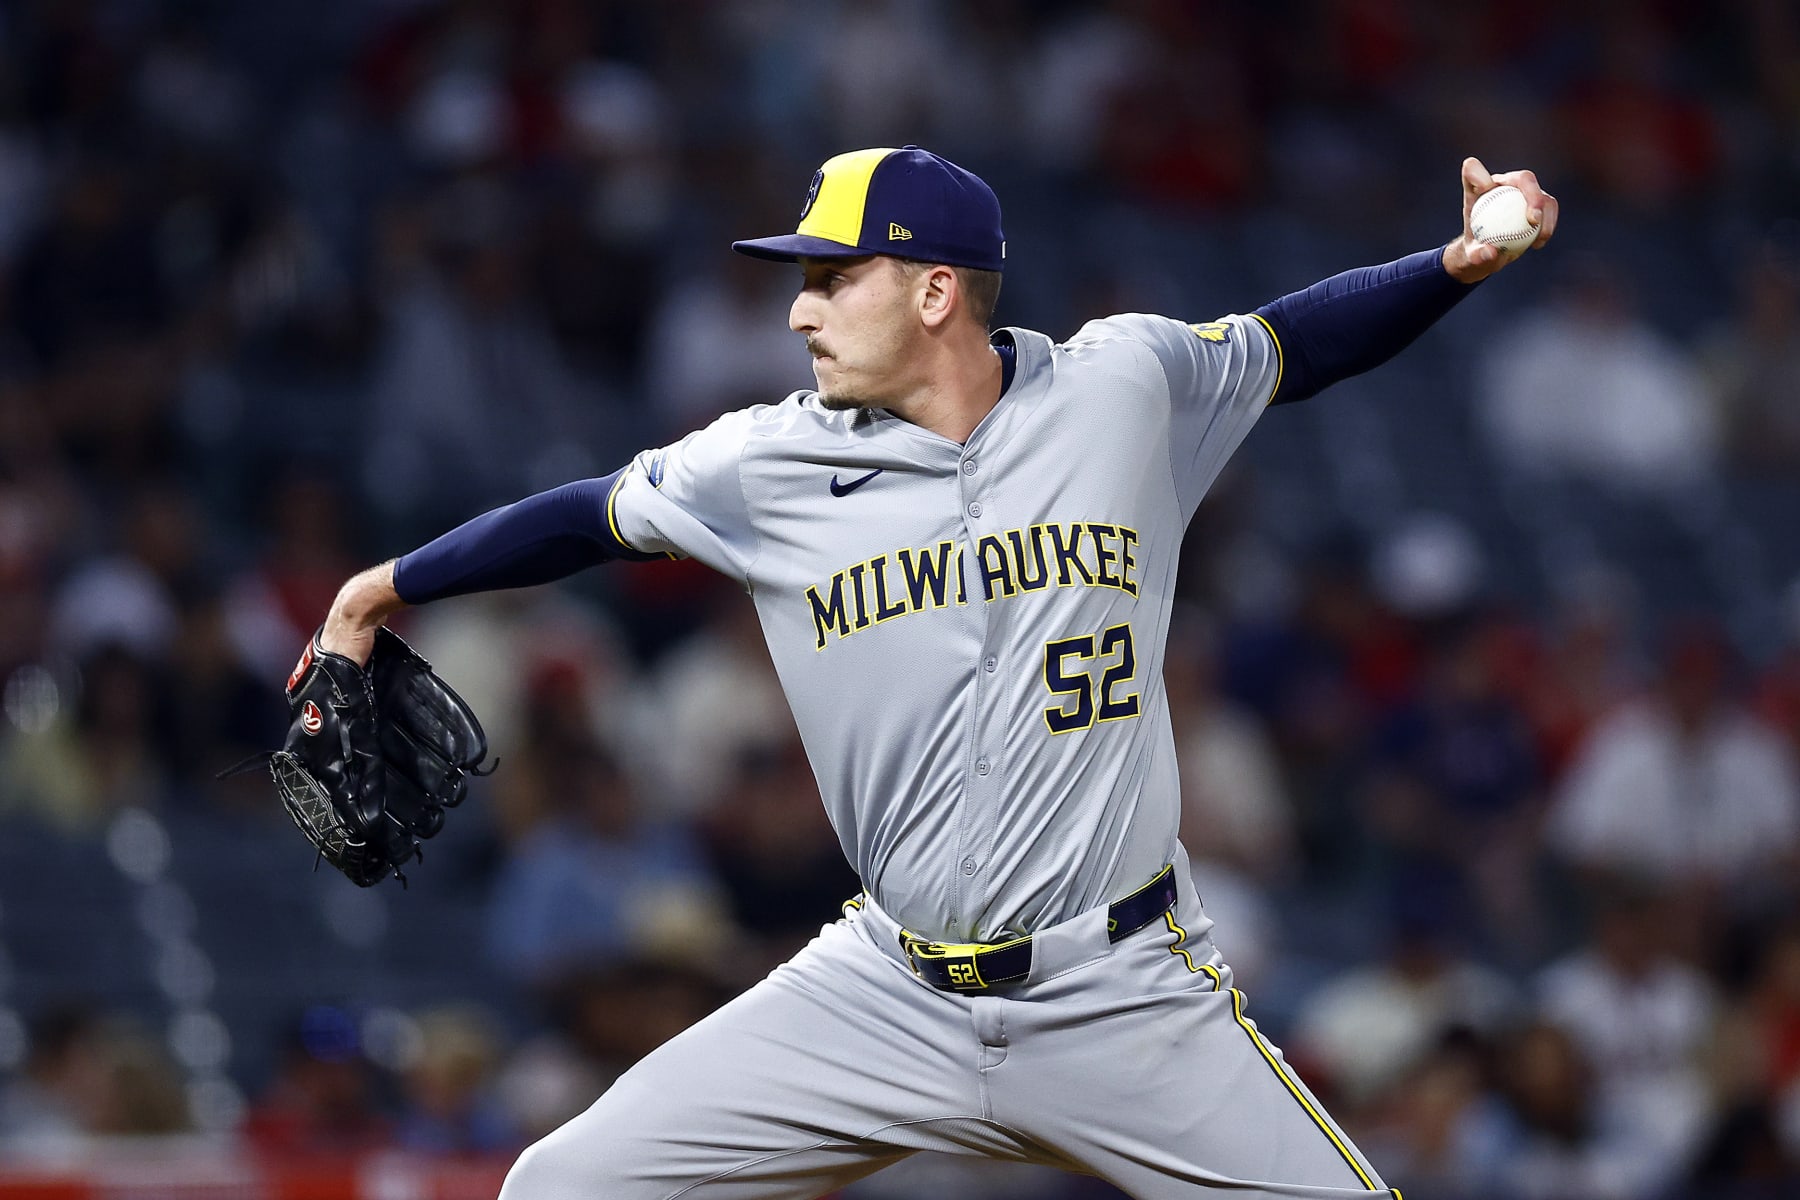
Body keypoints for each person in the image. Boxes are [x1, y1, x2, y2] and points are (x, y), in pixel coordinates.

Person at [311, 146, 1555, 1198]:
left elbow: (1297, 340)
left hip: (1118, 991)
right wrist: (383, 589)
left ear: (935, 291)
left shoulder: (1120, 386)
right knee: (559, 1188)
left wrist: (1454, 266)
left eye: (832, 277)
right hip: (884, 993)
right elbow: (586, 515)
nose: (798, 311)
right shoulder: (762, 465)